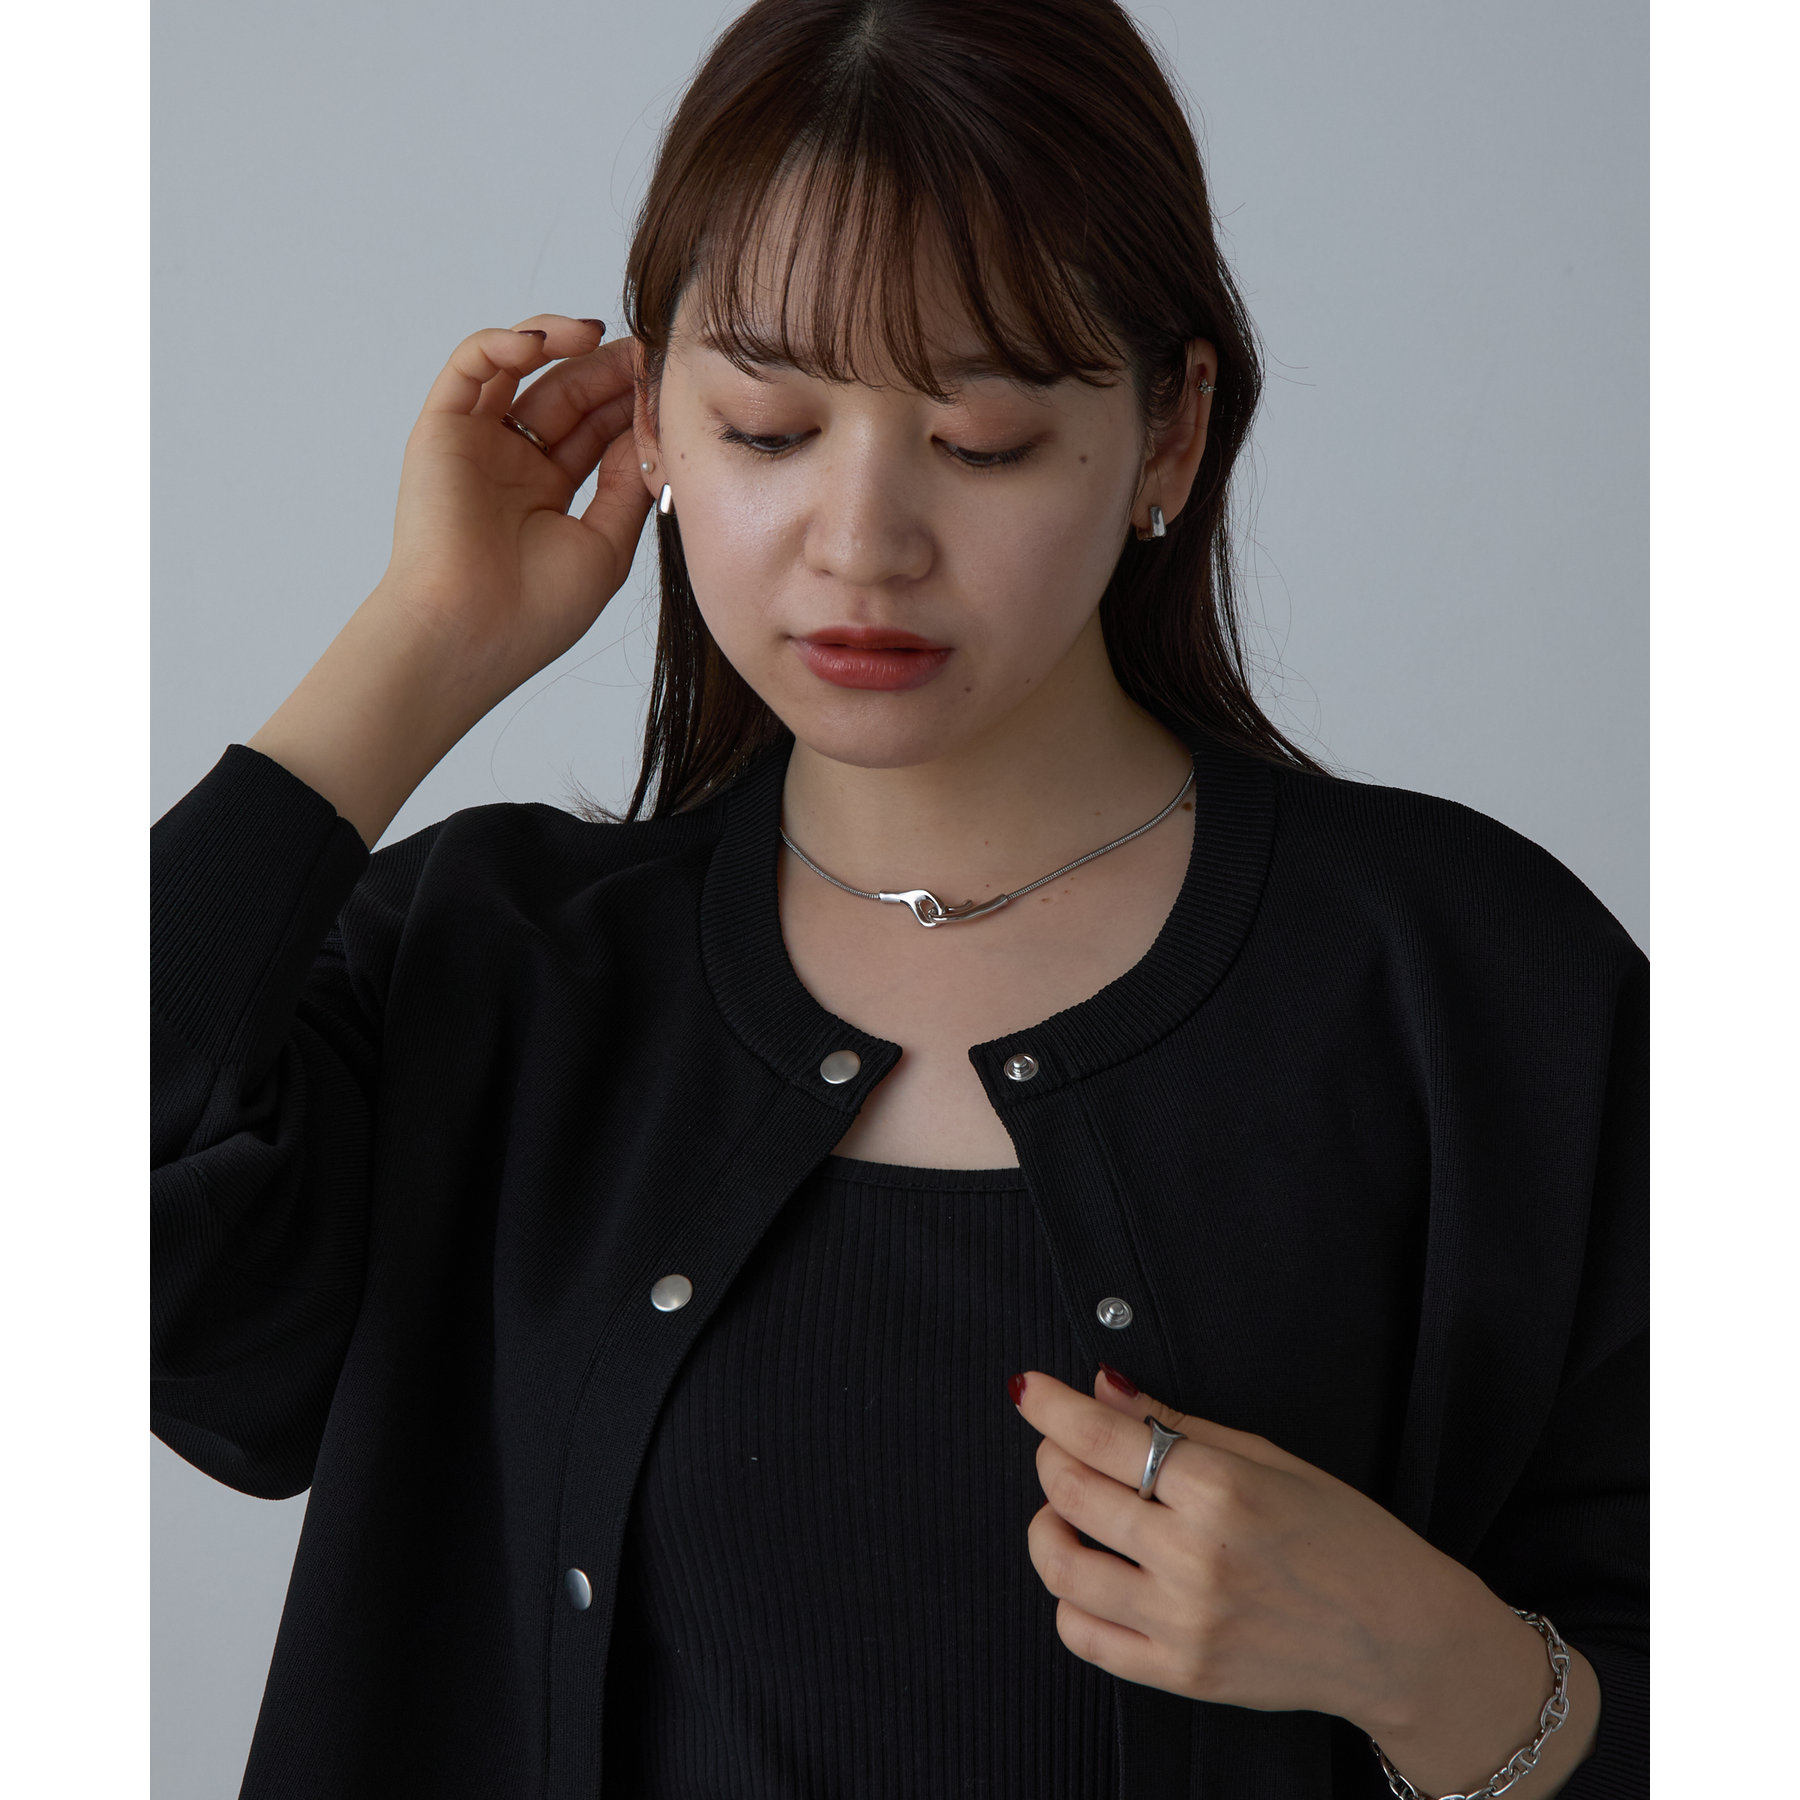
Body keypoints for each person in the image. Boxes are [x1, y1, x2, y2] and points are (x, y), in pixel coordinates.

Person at [149, 1, 1647, 1795]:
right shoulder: (495, 974)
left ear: (1171, 434)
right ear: (655, 423)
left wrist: (1435, 1665)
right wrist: (416, 649)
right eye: (767, 428)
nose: (862, 541)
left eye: (983, 438)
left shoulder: (1479, 991)